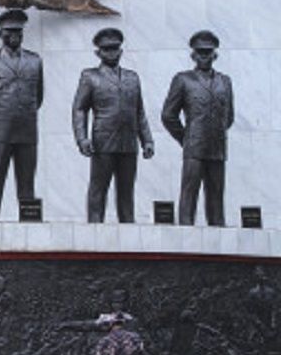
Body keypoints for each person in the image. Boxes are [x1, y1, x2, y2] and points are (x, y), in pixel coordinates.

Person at [72, 28, 154, 223]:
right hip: (103, 142)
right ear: (98, 52)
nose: (111, 53)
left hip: (128, 143)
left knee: (127, 193)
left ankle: (128, 233)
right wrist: (82, 138)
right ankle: (94, 230)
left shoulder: (132, 78)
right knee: (98, 190)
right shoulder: (90, 76)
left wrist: (147, 140)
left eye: (115, 49)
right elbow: (80, 109)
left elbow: (139, 112)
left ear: (121, 51)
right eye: (107, 49)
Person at [0, 9, 43, 221]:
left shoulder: (35, 61)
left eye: (18, 32)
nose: (14, 36)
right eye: (9, 31)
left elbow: (38, 96)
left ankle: (29, 222)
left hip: (27, 130)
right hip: (1, 131)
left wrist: (23, 115)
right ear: (0, 34)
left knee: (27, 182)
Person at [161, 30, 234, 226]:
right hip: (194, 147)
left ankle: (219, 235)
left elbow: (229, 116)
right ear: (193, 55)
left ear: (215, 55)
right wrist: (185, 138)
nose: (204, 56)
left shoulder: (224, 81)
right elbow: (168, 115)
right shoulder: (183, 79)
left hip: (217, 147)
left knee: (216, 195)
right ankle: (185, 231)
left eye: (208, 52)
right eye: (200, 52)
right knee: (189, 192)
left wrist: (216, 132)